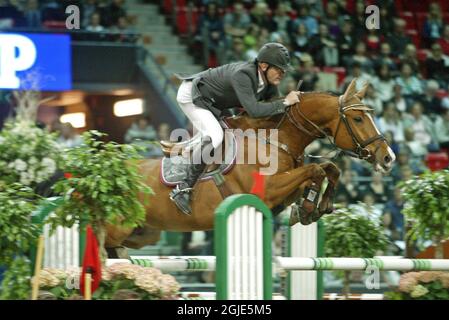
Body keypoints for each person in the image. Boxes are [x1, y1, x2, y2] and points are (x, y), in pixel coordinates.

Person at [170, 42, 301, 214]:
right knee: (216, 136)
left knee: (236, 131)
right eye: (279, 69)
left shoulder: (268, 83)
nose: (282, 74)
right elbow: (255, 111)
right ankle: (182, 188)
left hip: (216, 101)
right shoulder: (244, 75)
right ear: (263, 65)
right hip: (194, 96)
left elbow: (271, 114)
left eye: (284, 71)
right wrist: (285, 102)